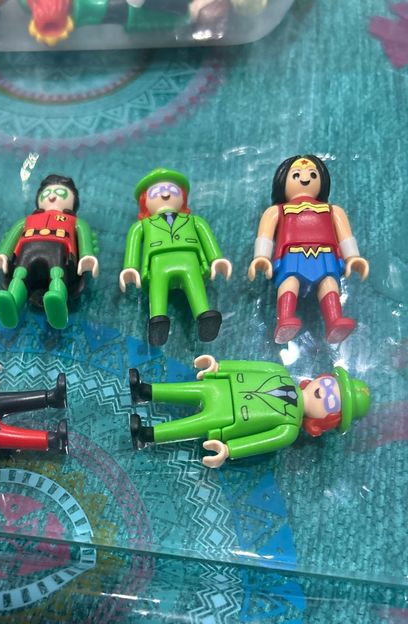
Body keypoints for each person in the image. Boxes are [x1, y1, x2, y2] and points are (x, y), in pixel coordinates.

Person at [129, 354, 370, 467]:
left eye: (331, 401)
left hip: (230, 419)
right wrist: (219, 366)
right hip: (225, 386)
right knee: (185, 389)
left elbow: (259, 442)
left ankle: (147, 434)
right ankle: (145, 390)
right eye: (329, 385)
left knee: (191, 426)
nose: (324, 393)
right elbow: (251, 366)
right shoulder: (280, 372)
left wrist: (228, 450)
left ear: (324, 423)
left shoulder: (288, 430)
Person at [248, 155, 369, 345]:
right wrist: (261, 256)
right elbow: (265, 235)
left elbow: (345, 235)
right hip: (293, 254)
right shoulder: (277, 211)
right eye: (296, 174)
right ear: (282, 181)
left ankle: (334, 320)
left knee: (329, 282)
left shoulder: (333, 210)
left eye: (313, 174)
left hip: (325, 254)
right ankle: (285, 319)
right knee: (290, 281)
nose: (305, 178)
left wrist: (353, 256)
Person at [120, 168, 232, 346]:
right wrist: (130, 267)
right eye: (156, 192)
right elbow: (133, 243)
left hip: (189, 258)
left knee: (194, 284)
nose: (165, 194)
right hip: (157, 262)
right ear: (144, 201)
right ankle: (157, 322)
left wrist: (216, 258)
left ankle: (205, 317)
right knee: (158, 288)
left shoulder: (194, 220)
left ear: (183, 197)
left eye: (172, 190)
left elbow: (207, 237)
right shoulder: (143, 225)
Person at [0, 174, 98, 330]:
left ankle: (57, 302)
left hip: (59, 250)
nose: (52, 197)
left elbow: (85, 237)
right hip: (27, 249)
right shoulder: (26, 220)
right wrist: (3, 253)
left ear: (73, 199)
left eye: (60, 193)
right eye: (47, 193)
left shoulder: (75, 222)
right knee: (19, 274)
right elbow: (11, 236)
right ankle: (12, 302)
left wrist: (87, 255)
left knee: (57, 273)